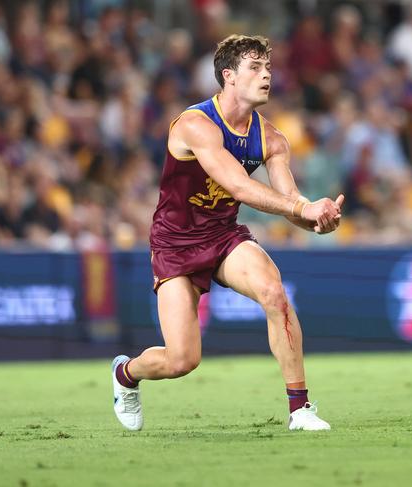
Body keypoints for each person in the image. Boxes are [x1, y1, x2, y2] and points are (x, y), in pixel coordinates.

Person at [111, 35, 344, 431]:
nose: (266, 74)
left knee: (274, 293)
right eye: (255, 67)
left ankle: (300, 409)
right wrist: (302, 208)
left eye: (268, 67)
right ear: (228, 76)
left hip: (223, 236)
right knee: (181, 360)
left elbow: (289, 201)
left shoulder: (272, 138)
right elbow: (238, 186)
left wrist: (318, 218)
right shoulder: (194, 125)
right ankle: (125, 375)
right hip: (175, 244)